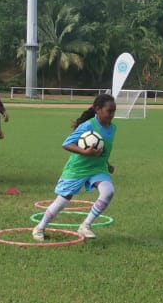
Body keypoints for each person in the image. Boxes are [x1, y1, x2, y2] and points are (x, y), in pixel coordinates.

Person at [32, 94, 117, 241]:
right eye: (109, 111)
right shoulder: (87, 126)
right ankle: (40, 227)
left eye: (114, 111)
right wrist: (85, 152)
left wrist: (107, 164)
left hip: (97, 168)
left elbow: (103, 148)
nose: (112, 114)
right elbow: (66, 144)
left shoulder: (113, 128)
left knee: (108, 191)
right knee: (63, 199)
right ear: (98, 109)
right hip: (78, 168)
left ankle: (86, 225)